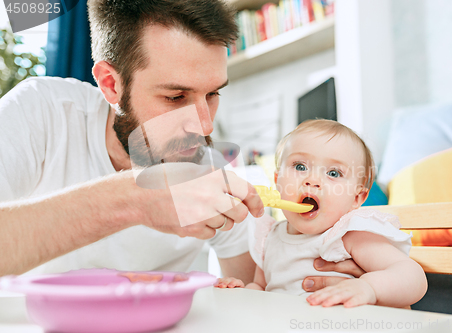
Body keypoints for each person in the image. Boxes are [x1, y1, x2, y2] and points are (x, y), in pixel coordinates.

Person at [0, 0, 354, 292]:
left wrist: (316, 262)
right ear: (110, 84)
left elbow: (251, 290)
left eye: (213, 93)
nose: (204, 126)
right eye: (175, 97)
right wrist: (133, 200)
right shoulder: (41, 113)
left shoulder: (212, 166)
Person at [216, 119, 428, 308]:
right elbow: (261, 287)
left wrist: (369, 288)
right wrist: (241, 292)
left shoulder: (349, 235)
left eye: (333, 173)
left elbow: (413, 277)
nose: (312, 180)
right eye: (300, 166)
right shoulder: (268, 237)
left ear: (357, 199)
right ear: (277, 180)